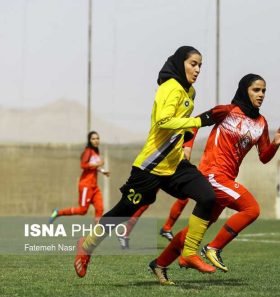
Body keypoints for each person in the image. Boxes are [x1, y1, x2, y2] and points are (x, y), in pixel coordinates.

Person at [74, 46, 220, 278]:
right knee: (124, 211)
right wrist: (200, 121)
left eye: (200, 65)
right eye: (193, 63)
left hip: (175, 165)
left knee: (208, 197)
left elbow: (179, 126)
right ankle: (87, 245)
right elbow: (163, 121)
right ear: (180, 63)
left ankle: (189, 252)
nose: (198, 69)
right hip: (150, 166)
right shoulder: (169, 87)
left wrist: (189, 136)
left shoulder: (190, 92)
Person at [148, 73, 280, 285]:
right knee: (252, 209)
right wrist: (187, 147)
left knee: (191, 233)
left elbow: (264, 157)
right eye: (256, 90)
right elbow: (194, 124)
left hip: (226, 179)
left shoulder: (261, 123)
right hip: (212, 174)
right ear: (244, 90)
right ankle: (213, 248)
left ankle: (159, 264)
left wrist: (275, 144)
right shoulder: (227, 111)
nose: (261, 95)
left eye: (264, 91)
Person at [117, 145, 192, 249]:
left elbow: (186, 154)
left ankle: (167, 228)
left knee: (184, 198)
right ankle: (124, 233)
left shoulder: (186, 133)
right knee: (143, 203)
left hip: (170, 170)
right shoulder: (171, 133)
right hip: (158, 170)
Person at [49, 131, 110, 224]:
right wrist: (98, 164)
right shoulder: (88, 151)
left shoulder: (95, 152)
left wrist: (102, 171)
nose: (96, 140)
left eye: (97, 138)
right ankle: (57, 213)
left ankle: (96, 232)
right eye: (93, 139)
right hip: (86, 185)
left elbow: (94, 167)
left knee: (100, 208)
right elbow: (83, 165)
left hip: (94, 187)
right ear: (89, 140)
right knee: (82, 211)